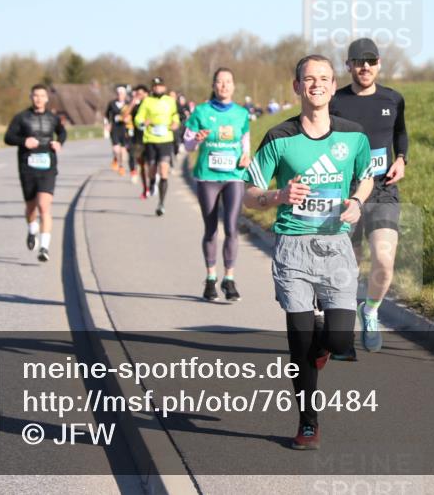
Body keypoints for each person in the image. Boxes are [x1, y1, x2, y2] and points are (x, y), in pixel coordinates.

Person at [245, 54, 373, 450]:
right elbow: (249, 193)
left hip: (335, 247)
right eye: (308, 79)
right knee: (299, 345)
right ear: (297, 87)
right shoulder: (278, 137)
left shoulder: (353, 136)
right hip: (293, 249)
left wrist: (356, 201)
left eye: (324, 78)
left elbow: (366, 177)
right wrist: (278, 195)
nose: (316, 84)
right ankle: (308, 423)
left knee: (338, 341)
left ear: (334, 86)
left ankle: (322, 345)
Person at [328, 38, 409, 355]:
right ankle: (339, 325)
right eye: (358, 61)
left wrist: (401, 159)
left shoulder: (393, 98)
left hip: (382, 191)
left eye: (371, 61)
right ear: (348, 65)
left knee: (384, 264)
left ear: (379, 63)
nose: (365, 67)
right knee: (346, 266)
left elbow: (400, 132)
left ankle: (371, 310)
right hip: (344, 193)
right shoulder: (335, 101)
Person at [183, 68, 251, 302]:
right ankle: (211, 278)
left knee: (232, 227)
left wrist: (246, 155)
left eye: (228, 82)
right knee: (211, 228)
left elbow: (245, 141)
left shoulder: (242, 113)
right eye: (220, 82)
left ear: (234, 86)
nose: (224, 86)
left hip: (233, 175)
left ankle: (229, 278)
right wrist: (195, 139)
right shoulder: (201, 111)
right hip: (208, 176)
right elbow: (188, 145)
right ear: (213, 85)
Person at [3, 84, 67, 263]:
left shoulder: (53, 118)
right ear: (31, 97)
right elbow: (8, 138)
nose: (38, 99)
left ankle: (44, 247)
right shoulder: (21, 118)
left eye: (42, 96)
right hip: (27, 167)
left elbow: (62, 132)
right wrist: (24, 141)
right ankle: (32, 229)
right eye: (35, 96)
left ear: (47, 98)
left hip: (48, 167)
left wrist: (59, 142)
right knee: (31, 207)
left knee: (44, 206)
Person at [134, 77, 181, 216]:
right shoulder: (147, 101)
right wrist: (143, 123)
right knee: (152, 168)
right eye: (155, 86)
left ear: (164, 88)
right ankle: (152, 181)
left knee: (164, 169)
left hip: (166, 138)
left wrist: (175, 123)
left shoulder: (170, 101)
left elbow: (175, 115)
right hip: (150, 139)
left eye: (160, 86)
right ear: (152, 88)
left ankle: (161, 203)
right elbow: (138, 118)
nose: (157, 89)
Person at [125, 85, 148, 189]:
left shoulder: (150, 104)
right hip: (137, 135)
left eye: (140, 93)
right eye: (137, 93)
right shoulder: (135, 105)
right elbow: (125, 116)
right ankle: (134, 172)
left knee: (148, 160)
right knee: (133, 156)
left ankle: (150, 180)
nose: (138, 95)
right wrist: (132, 104)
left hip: (149, 136)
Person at [104, 85, 129, 175]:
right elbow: (106, 115)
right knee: (116, 149)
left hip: (124, 128)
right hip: (114, 128)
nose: (120, 95)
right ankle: (115, 159)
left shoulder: (128, 104)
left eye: (122, 94)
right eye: (118, 94)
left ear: (125, 95)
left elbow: (132, 116)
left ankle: (121, 166)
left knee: (122, 150)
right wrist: (107, 124)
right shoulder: (112, 103)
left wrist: (128, 120)